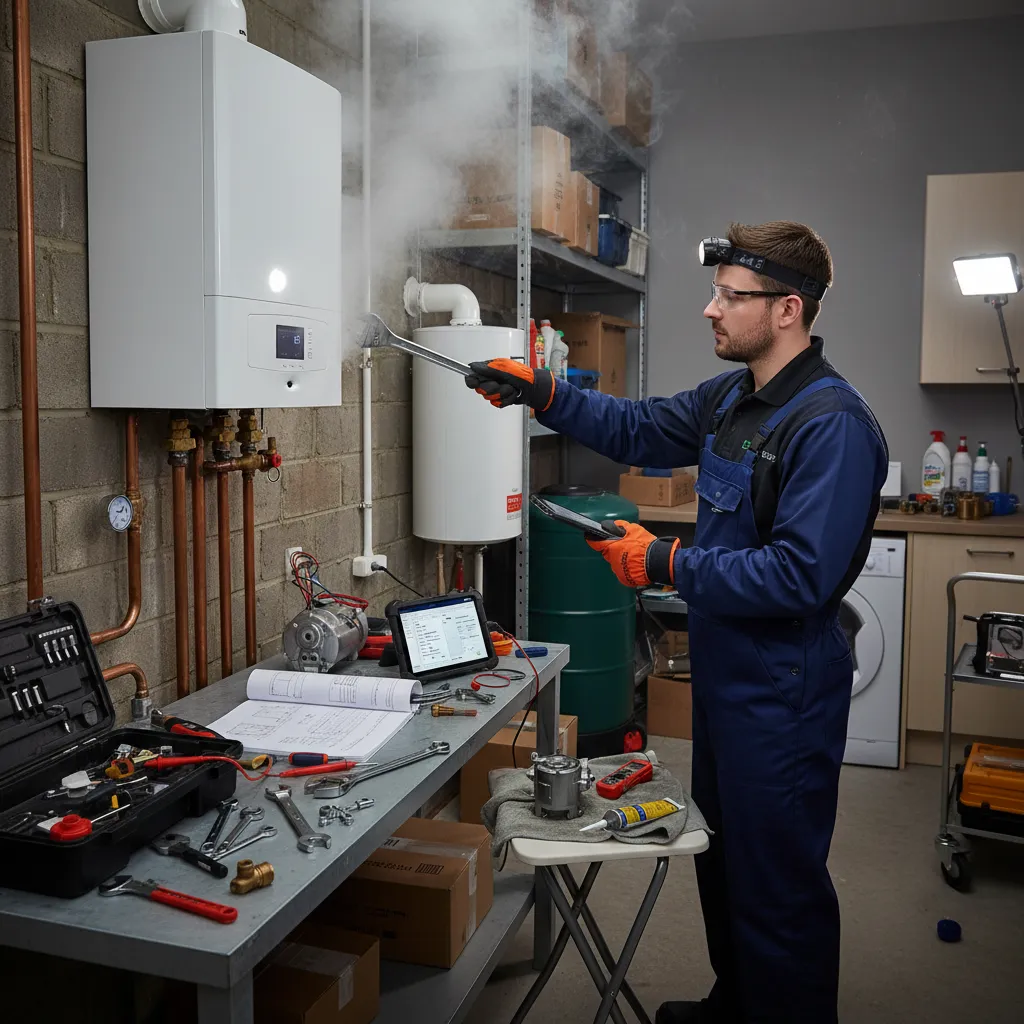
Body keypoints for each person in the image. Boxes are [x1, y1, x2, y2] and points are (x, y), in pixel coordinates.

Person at [464, 221, 889, 1024]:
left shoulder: (830, 425)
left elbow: (798, 576)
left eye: (731, 296)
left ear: (788, 308)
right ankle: (739, 1005)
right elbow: (639, 428)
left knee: (778, 887)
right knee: (724, 865)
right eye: (716, 292)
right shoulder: (734, 398)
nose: (710, 309)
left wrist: (663, 562)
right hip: (731, 682)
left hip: (785, 693)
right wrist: (544, 393)